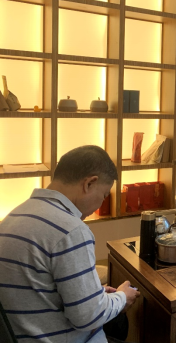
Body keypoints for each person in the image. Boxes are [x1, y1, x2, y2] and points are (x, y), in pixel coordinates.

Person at [0, 146, 140, 343]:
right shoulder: (70, 230)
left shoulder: (14, 216)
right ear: (89, 183)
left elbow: (42, 287)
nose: (100, 204)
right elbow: (87, 317)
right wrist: (122, 297)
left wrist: (94, 294)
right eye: (103, 195)